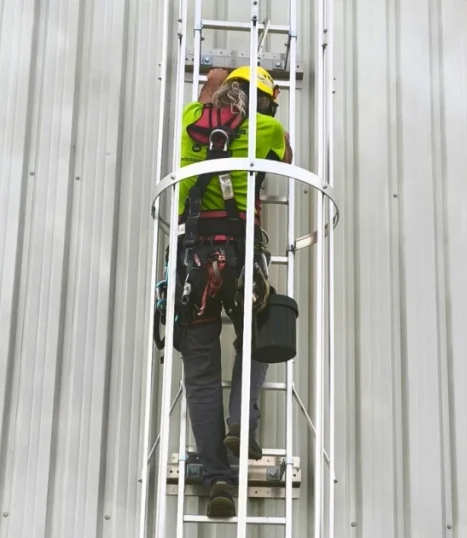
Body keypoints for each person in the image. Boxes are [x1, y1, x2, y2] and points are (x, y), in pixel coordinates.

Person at [167, 65, 293, 518]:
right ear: (262, 101)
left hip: (195, 262)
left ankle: (216, 475)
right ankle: (241, 422)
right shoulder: (267, 128)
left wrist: (214, 86)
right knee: (258, 343)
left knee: (200, 371)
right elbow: (285, 158)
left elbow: (208, 98)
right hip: (242, 258)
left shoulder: (189, 121)